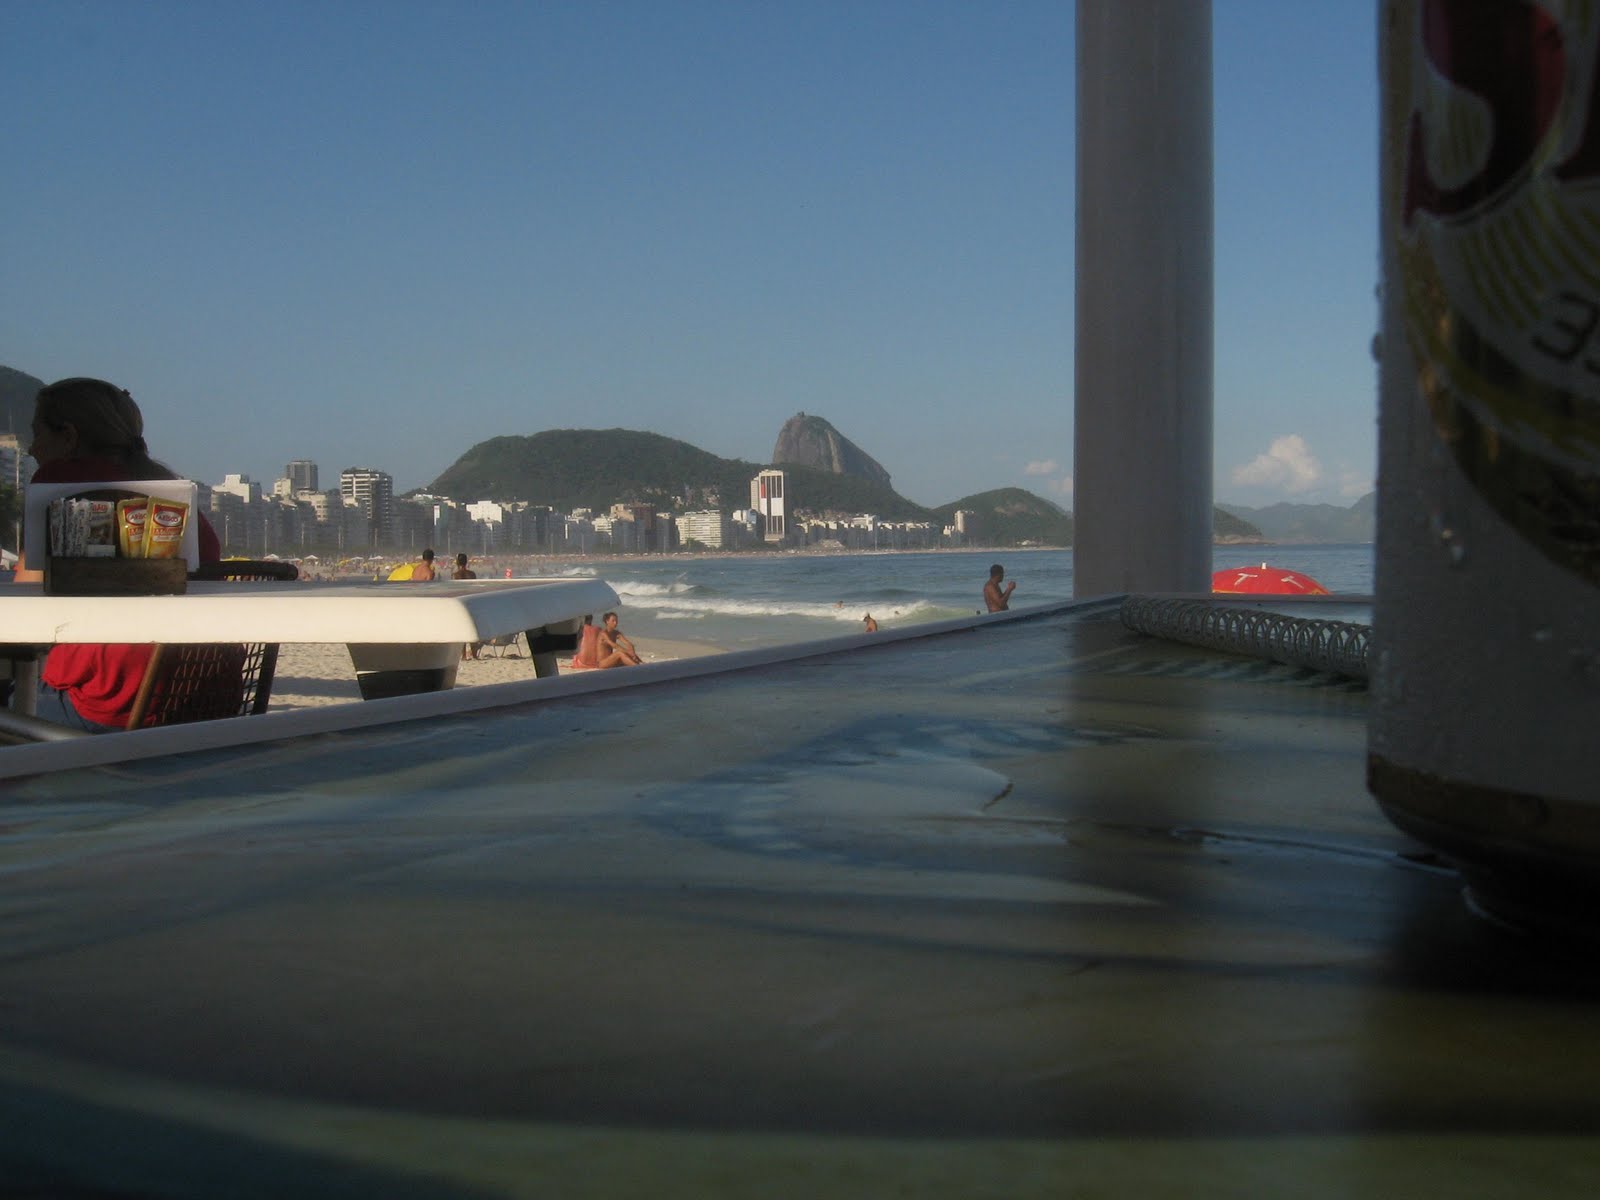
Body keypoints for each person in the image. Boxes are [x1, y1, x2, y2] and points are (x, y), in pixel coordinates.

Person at [17, 377, 223, 731]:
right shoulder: (171, 492)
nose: (31, 449)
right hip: (203, 695)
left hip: (111, 701)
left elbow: (26, 594)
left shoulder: (63, 482)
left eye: (37, 434)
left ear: (68, 436)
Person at [452, 553, 482, 658]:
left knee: (462, 630)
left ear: (457, 563)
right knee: (472, 629)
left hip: (460, 603)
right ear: (466, 562)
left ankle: (464, 655)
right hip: (471, 602)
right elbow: (475, 589)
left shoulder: (455, 575)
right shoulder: (472, 574)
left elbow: (454, 591)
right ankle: (474, 654)